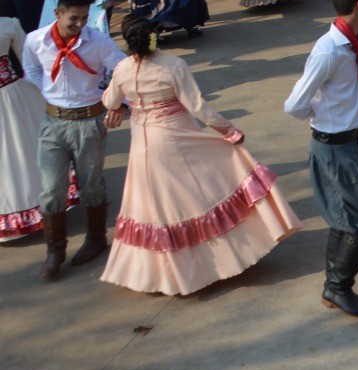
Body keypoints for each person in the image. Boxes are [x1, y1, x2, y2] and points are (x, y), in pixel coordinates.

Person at [98, 15, 299, 295]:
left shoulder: (122, 69)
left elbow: (108, 100)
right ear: (153, 35)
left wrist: (120, 106)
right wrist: (229, 131)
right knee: (197, 196)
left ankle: (167, 273)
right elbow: (198, 107)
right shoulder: (173, 66)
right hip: (175, 138)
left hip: (142, 145)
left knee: (155, 206)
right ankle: (214, 262)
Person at [283, 0, 358, 317]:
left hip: (348, 143)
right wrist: (320, 122)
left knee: (346, 218)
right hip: (334, 148)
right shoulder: (329, 51)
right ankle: (337, 285)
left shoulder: (351, 41)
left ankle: (335, 287)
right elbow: (294, 104)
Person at [24, 0, 127, 279]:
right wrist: (47, 91)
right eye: (74, 19)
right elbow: (30, 70)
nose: (80, 25)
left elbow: (123, 71)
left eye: (84, 18)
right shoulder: (36, 41)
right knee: (52, 187)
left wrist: (119, 104)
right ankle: (55, 250)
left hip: (89, 122)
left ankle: (96, 238)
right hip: (53, 123)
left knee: (90, 184)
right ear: (57, 14)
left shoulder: (98, 42)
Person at [0, 0, 73, 241]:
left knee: (20, 152)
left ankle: (38, 206)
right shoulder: (9, 24)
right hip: (13, 96)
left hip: (13, 98)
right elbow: (27, 64)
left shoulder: (9, 25)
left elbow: (28, 63)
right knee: (21, 151)